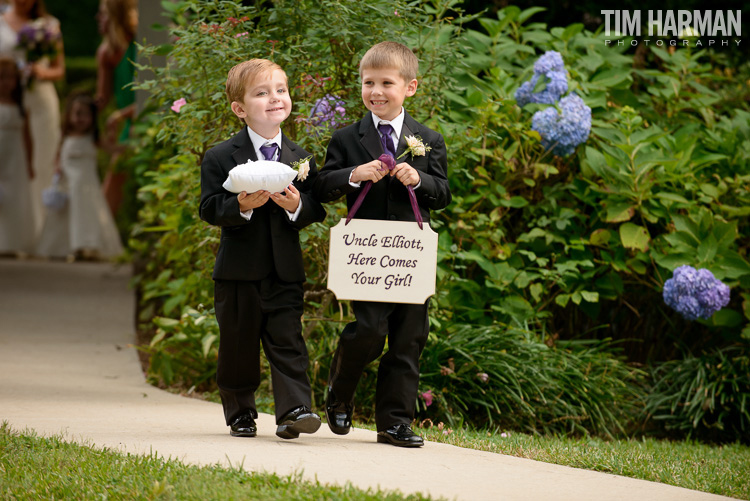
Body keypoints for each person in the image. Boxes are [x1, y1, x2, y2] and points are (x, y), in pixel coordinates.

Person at [313, 41, 451, 447]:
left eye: (386, 82)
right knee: (369, 330)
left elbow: (442, 194)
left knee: (409, 337)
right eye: (367, 82)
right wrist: (354, 174)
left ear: (410, 87)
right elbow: (322, 185)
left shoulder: (428, 139)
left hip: (409, 255)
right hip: (367, 253)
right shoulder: (347, 137)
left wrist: (419, 179)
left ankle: (394, 422)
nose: (375, 91)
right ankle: (339, 395)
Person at [199, 58, 326, 439]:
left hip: (285, 269)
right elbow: (208, 208)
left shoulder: (301, 158)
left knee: (289, 340)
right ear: (240, 109)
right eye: (262, 93)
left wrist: (295, 206)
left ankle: (293, 410)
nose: (275, 98)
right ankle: (240, 411)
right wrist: (241, 205)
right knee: (238, 344)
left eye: (281, 90)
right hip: (238, 270)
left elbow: (315, 207)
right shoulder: (221, 156)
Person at [0, 0, 64, 233]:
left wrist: (41, 72)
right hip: (8, 103)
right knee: (12, 164)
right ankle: (15, 230)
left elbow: (59, 69)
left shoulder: (48, 25)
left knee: (43, 161)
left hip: (40, 101)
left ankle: (44, 231)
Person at [36, 93, 123, 260]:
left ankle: (88, 246)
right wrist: (57, 168)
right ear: (68, 115)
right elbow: (58, 154)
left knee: (87, 212)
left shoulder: (93, 138)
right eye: (76, 113)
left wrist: (126, 145)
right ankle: (62, 248)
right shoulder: (65, 136)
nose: (80, 118)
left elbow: (111, 148)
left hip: (86, 185)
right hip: (67, 184)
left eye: (85, 114)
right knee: (65, 213)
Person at [95, 0, 137, 215]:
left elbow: (153, 97)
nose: (98, 19)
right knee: (115, 176)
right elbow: (101, 99)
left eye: (103, 14)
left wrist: (119, 115)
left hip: (143, 118)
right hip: (129, 121)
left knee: (117, 174)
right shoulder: (106, 51)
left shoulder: (141, 45)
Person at [0, 55, 34, 256]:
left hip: (16, 159)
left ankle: (12, 242)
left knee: (14, 197)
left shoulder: (22, 106)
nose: (7, 83)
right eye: (2, 78)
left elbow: (28, 137)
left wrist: (29, 162)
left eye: (11, 78)